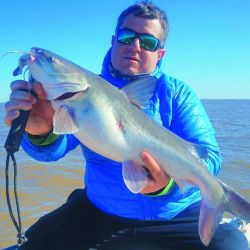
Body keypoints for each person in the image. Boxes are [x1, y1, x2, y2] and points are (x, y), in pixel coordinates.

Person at [4, 1, 249, 250]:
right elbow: (53, 151)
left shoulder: (178, 93)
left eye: (149, 42)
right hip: (101, 212)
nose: (135, 46)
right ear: (113, 41)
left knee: (232, 245)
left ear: (160, 53)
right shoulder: (81, 95)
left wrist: (167, 186)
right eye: (126, 36)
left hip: (177, 215)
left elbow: (210, 156)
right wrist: (40, 130)